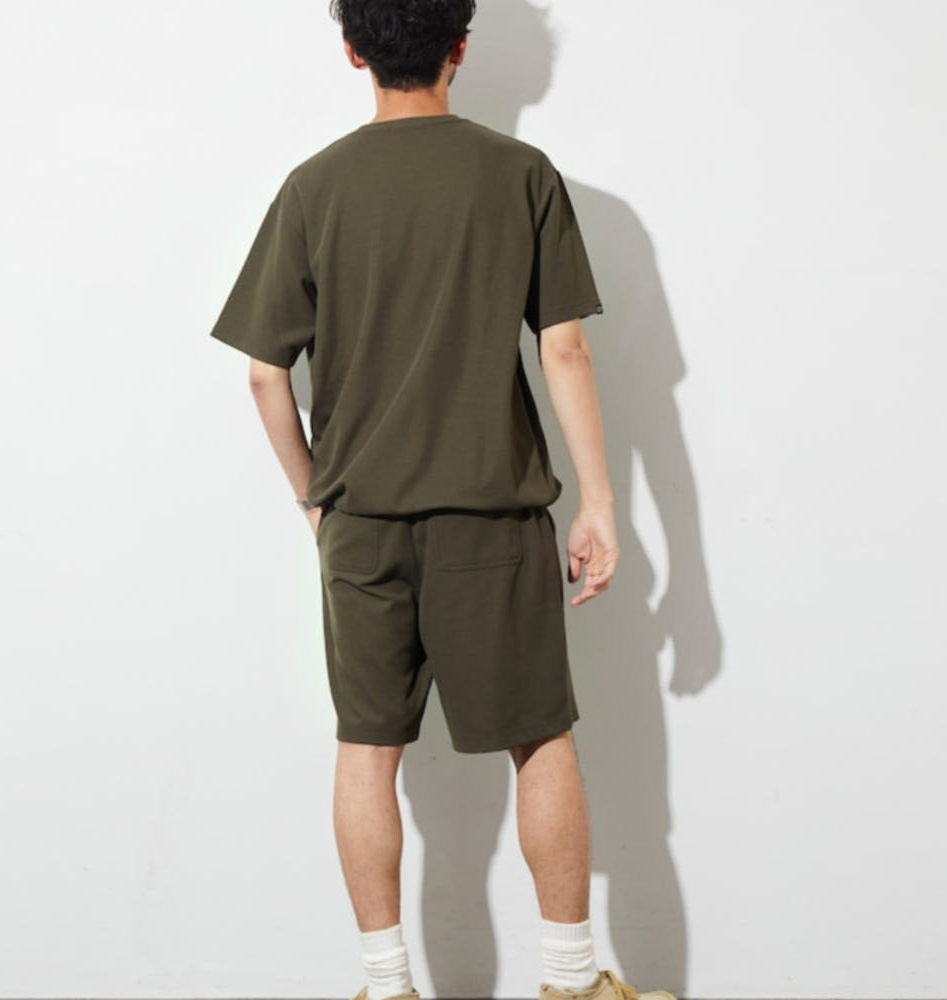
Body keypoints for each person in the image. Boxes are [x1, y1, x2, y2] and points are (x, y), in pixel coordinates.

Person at [209, 4, 677, 1000]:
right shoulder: (521, 175)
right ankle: (571, 983)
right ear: (460, 46)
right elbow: (564, 349)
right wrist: (599, 502)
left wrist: (314, 499)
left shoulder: (313, 186)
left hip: (361, 526)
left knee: (365, 751)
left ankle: (385, 986)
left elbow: (262, 372)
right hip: (490, 519)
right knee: (538, 740)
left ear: (353, 50)